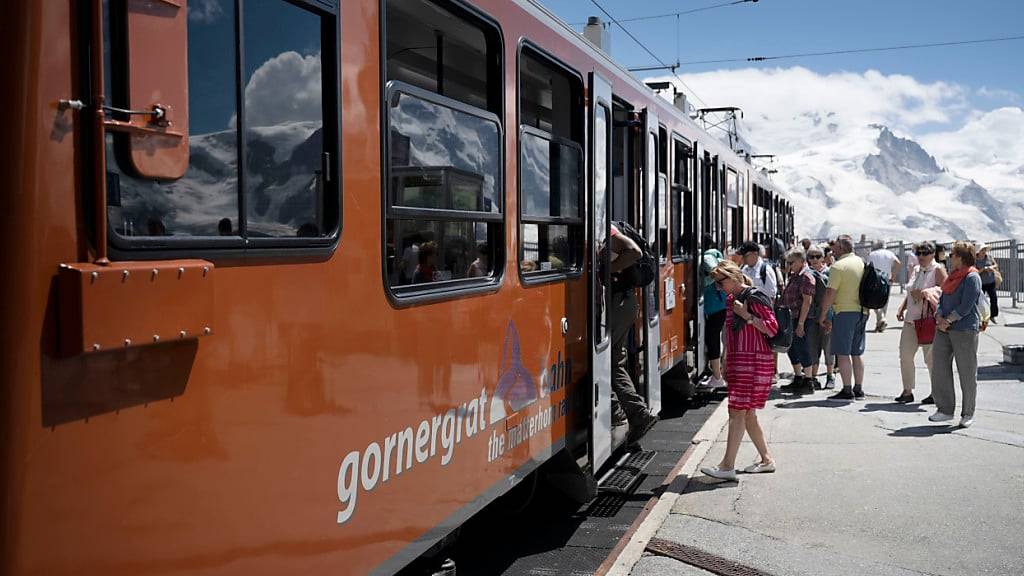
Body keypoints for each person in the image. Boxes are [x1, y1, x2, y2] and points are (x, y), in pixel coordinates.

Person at [701, 260, 779, 480]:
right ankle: (766, 460)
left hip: (752, 360)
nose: (718, 286)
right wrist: (726, 358)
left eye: (720, 282)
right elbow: (729, 332)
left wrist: (746, 315)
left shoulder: (754, 296)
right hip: (740, 360)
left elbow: (772, 329)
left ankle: (727, 467)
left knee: (737, 412)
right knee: (747, 414)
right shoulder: (731, 299)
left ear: (733, 277)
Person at [608, 224, 659, 445]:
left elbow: (634, 251)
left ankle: (633, 413)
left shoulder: (606, 229)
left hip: (618, 301)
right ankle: (623, 412)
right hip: (623, 301)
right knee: (613, 360)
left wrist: (607, 269)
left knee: (610, 362)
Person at [928, 241, 982, 428]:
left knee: (967, 372)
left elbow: (966, 306)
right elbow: (942, 298)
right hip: (944, 329)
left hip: (964, 329)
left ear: (961, 257)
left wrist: (948, 320)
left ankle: (968, 413)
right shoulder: (951, 277)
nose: (950, 257)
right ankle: (945, 409)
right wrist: (938, 315)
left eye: (953, 255)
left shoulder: (971, 277)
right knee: (940, 368)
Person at [894, 242, 947, 403]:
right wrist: (902, 307)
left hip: (929, 320)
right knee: (905, 355)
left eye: (926, 253)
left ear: (933, 254)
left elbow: (946, 291)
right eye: (919, 253)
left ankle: (936, 392)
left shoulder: (938, 269)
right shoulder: (916, 270)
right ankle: (907, 391)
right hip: (911, 320)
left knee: (931, 359)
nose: (922, 256)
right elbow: (911, 291)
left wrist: (926, 293)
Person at [818, 235, 867, 400]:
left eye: (835, 247)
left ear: (840, 248)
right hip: (862, 311)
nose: (832, 250)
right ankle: (858, 388)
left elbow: (830, 292)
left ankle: (847, 390)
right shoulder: (861, 263)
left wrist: (823, 314)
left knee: (842, 352)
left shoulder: (838, 267)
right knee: (856, 352)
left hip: (844, 311)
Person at [780, 248, 817, 394]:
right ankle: (798, 377)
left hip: (801, 318)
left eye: (792, 262)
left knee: (802, 347)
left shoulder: (806, 277)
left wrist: (801, 324)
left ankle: (808, 380)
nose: (789, 265)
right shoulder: (795, 275)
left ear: (801, 261)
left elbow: (807, 302)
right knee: (792, 348)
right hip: (791, 318)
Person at [700, 234, 728, 388]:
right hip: (720, 304)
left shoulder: (707, 256)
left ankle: (717, 377)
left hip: (713, 305)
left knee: (712, 341)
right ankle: (717, 375)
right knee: (716, 339)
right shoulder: (718, 255)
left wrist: (703, 282)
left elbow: (715, 271)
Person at [807, 246, 836, 389]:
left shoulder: (830, 273)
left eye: (817, 256)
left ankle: (830, 375)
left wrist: (829, 316)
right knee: (813, 346)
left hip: (827, 314)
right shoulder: (806, 273)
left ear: (823, 258)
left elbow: (832, 295)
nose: (814, 260)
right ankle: (813, 377)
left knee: (828, 346)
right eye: (811, 257)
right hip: (811, 316)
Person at [867, 240, 901, 332]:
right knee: (884, 301)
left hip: (874, 279)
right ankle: (881, 322)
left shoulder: (872, 254)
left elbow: (867, 266)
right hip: (886, 279)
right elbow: (898, 263)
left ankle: (881, 319)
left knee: (873, 300)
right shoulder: (889, 253)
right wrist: (893, 276)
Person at [975, 244, 1000, 325]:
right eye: (982, 250)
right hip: (981, 283)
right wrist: (984, 269)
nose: (984, 252)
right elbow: (975, 271)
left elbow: (996, 265)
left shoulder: (989, 257)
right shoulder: (975, 259)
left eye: (985, 250)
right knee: (980, 301)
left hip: (990, 282)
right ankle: (980, 317)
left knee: (994, 298)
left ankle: (993, 315)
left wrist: (992, 267)